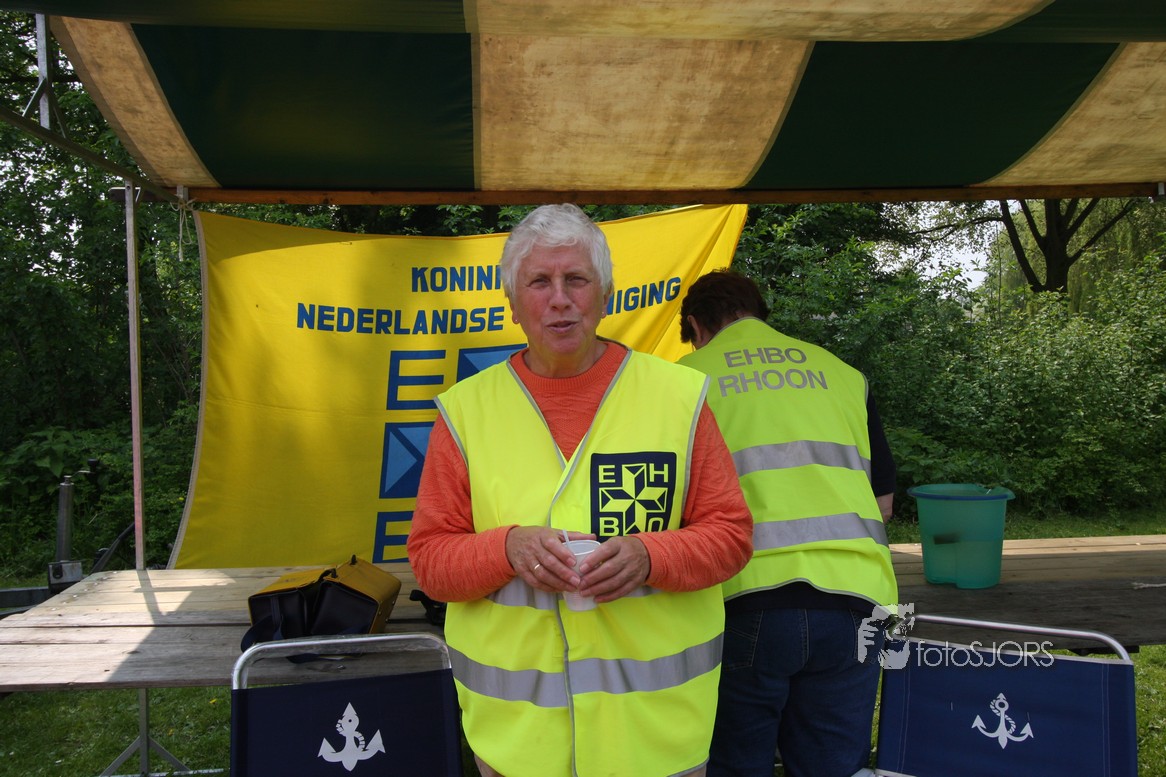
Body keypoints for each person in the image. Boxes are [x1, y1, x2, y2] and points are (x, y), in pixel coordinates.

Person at [407, 204, 752, 777]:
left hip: (655, 738)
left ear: (605, 294)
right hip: (520, 745)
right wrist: (506, 547)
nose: (560, 299)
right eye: (539, 282)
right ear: (513, 303)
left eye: (576, 279)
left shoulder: (677, 397)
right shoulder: (466, 412)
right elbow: (431, 562)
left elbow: (731, 536)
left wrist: (650, 555)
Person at [676, 269, 899, 777]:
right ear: (759, 314)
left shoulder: (682, 381)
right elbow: (882, 504)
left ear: (697, 326)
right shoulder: (844, 374)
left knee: (735, 765)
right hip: (856, 600)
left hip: (742, 599)